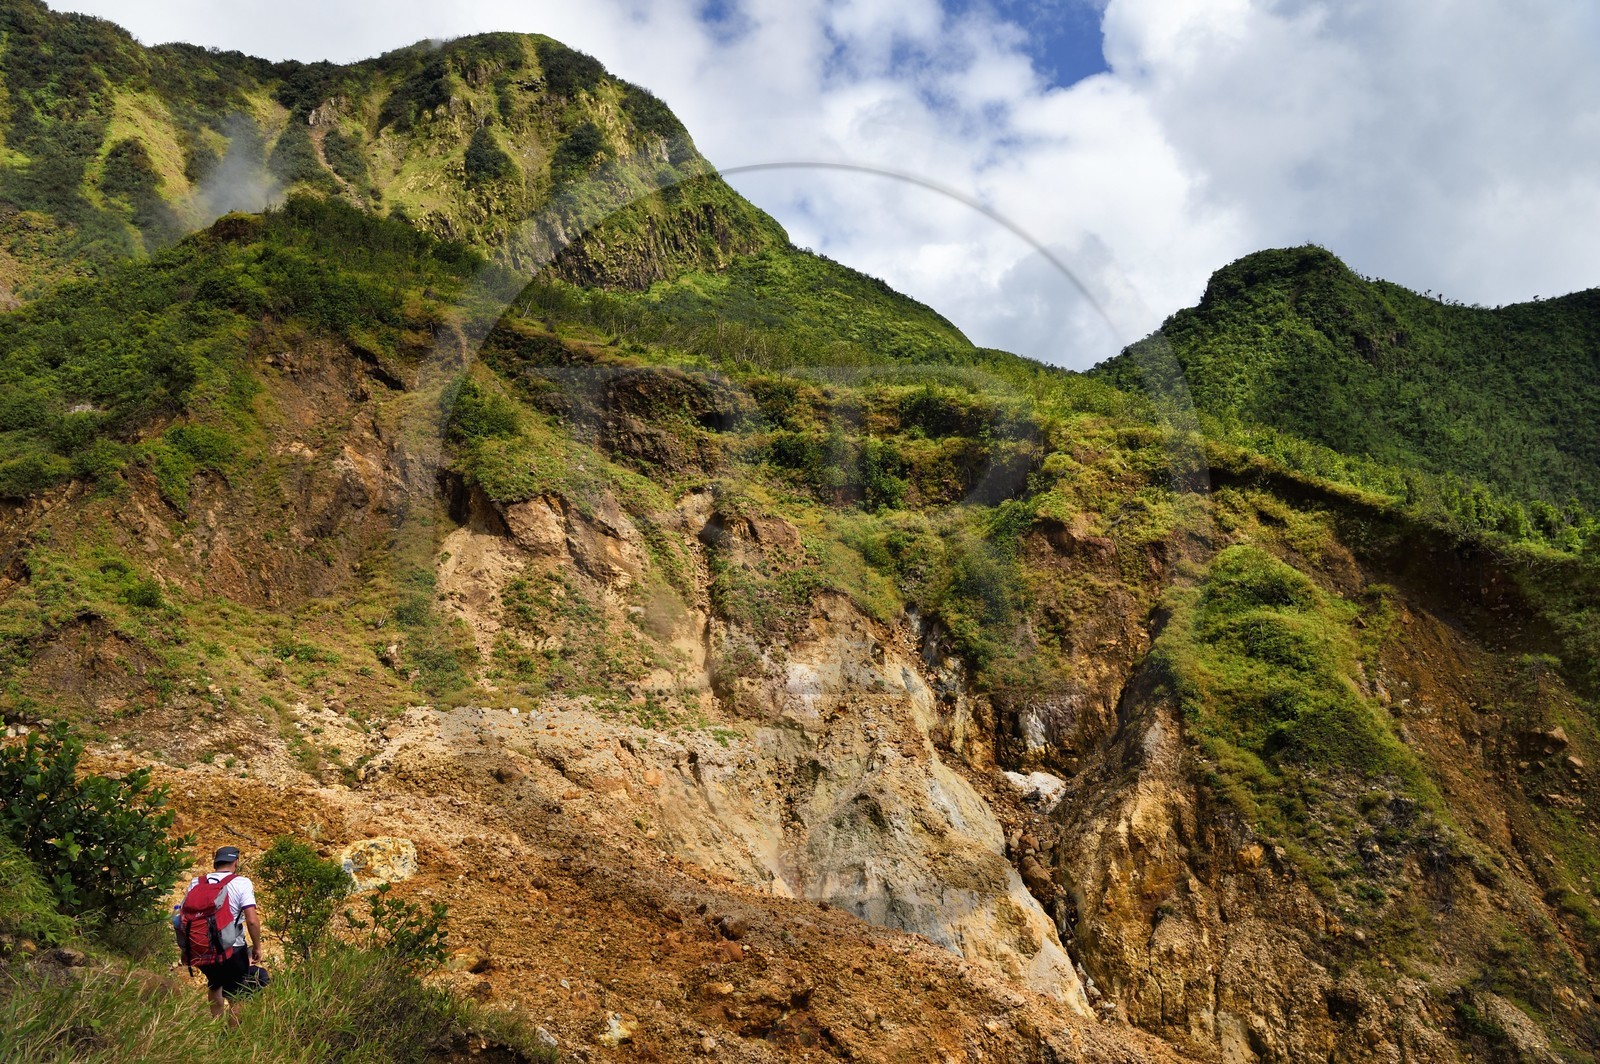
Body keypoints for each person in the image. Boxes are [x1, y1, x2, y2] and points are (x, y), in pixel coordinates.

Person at [175, 845, 263, 1026]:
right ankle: (231, 1039)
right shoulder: (242, 882)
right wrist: (257, 946)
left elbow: (182, 918)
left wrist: (186, 949)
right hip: (233, 948)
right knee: (237, 994)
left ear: (216, 862)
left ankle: (215, 1028)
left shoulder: (196, 882)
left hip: (202, 947)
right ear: (235, 862)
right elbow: (252, 920)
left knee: (214, 984)